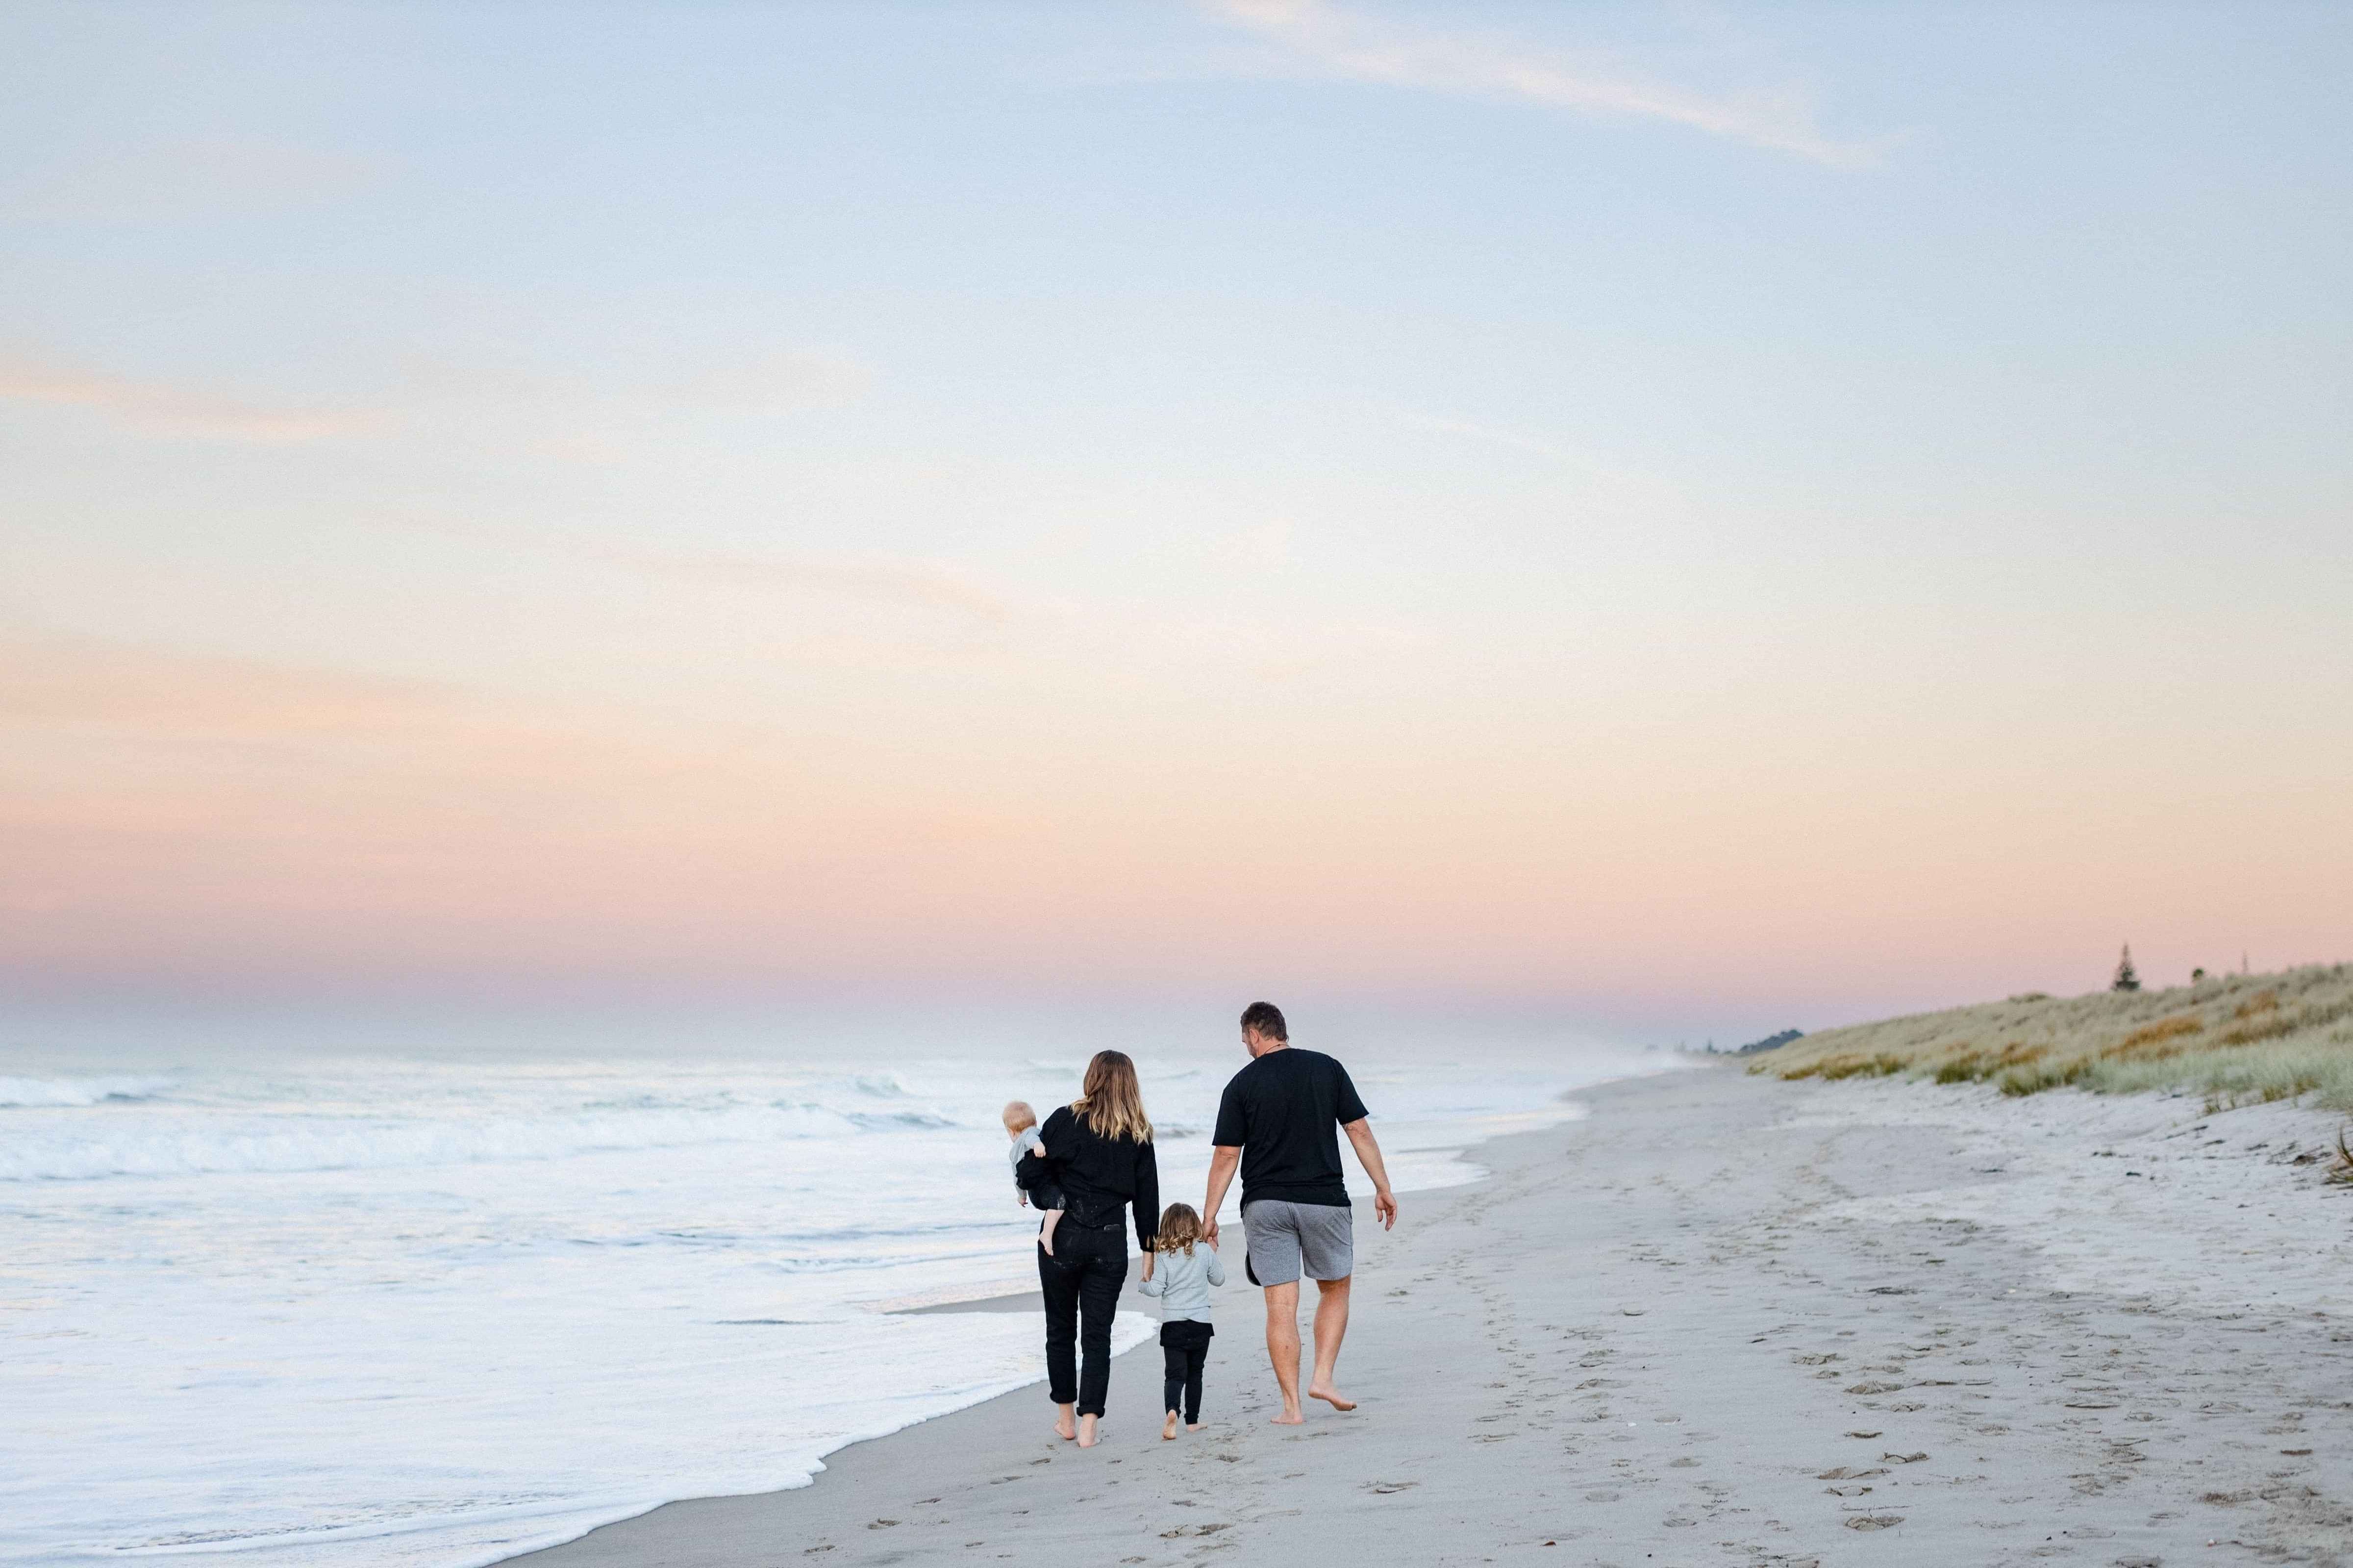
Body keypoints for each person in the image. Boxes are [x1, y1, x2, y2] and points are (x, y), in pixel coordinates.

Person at [1201, 1001, 1397, 1425]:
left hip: (1265, 1204)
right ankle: (1323, 1378)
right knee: (1334, 1289)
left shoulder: (1241, 1084)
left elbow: (1226, 1156)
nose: (1246, 1048)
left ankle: (1292, 1408)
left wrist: (1209, 1215)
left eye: (1244, 1040)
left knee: (1280, 1306)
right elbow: (1358, 1129)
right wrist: (1383, 1187)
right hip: (1324, 1200)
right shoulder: (1327, 1068)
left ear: (1255, 1034)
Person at [1020, 1050, 1159, 1448]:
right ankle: (1089, 1427)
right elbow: (1148, 1197)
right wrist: (1148, 1250)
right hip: (1111, 1240)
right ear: (1130, 1083)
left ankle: (1065, 1420)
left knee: (1060, 1329)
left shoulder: (1065, 1119)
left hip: (1061, 1238)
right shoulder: (1139, 1132)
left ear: (1092, 1078)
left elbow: (1030, 1172)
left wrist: (1054, 1198)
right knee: (1098, 1335)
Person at [1137, 1201, 1224, 1441]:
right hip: (1201, 1326)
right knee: (1196, 1373)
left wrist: (1142, 1284)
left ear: (1167, 1227)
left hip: (1174, 1326)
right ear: (1195, 1225)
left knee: (1175, 1375)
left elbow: (1155, 1289)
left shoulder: (1164, 1255)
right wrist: (1213, 1253)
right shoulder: (1204, 1251)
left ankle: (1173, 1411)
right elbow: (1219, 1279)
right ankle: (1193, 1421)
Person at [1001, 1100, 1063, 1256]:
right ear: (1036, 1122)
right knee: (1059, 1201)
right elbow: (1031, 1139)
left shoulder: (1014, 1152)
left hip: (1033, 1193)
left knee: (1056, 1201)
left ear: (1011, 1132)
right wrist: (1038, 1146)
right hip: (1043, 1190)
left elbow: (1017, 1178)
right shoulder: (1032, 1133)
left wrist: (1022, 1196)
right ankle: (1047, 1235)